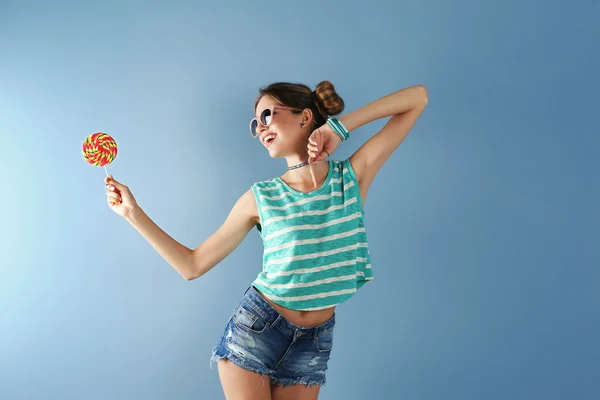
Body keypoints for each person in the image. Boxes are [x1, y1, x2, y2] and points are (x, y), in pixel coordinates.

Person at [104, 81, 428, 400]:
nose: (260, 129)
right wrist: (133, 213)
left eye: (267, 116)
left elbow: (417, 98)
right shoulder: (261, 197)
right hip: (258, 329)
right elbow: (192, 265)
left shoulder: (351, 177)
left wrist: (338, 128)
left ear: (304, 117)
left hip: (314, 340)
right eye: (255, 124)